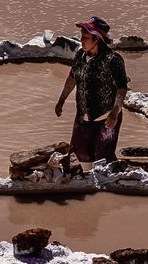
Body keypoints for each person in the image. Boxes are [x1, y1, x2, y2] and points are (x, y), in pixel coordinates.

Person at [54, 15, 129, 164]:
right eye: (82, 36)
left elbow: (121, 89)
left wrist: (114, 113)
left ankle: (106, 184)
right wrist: (61, 100)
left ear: (97, 39)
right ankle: (86, 184)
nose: (82, 40)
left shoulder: (113, 60)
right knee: (79, 155)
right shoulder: (80, 56)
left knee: (102, 158)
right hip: (83, 116)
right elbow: (72, 79)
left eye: (86, 37)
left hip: (105, 118)